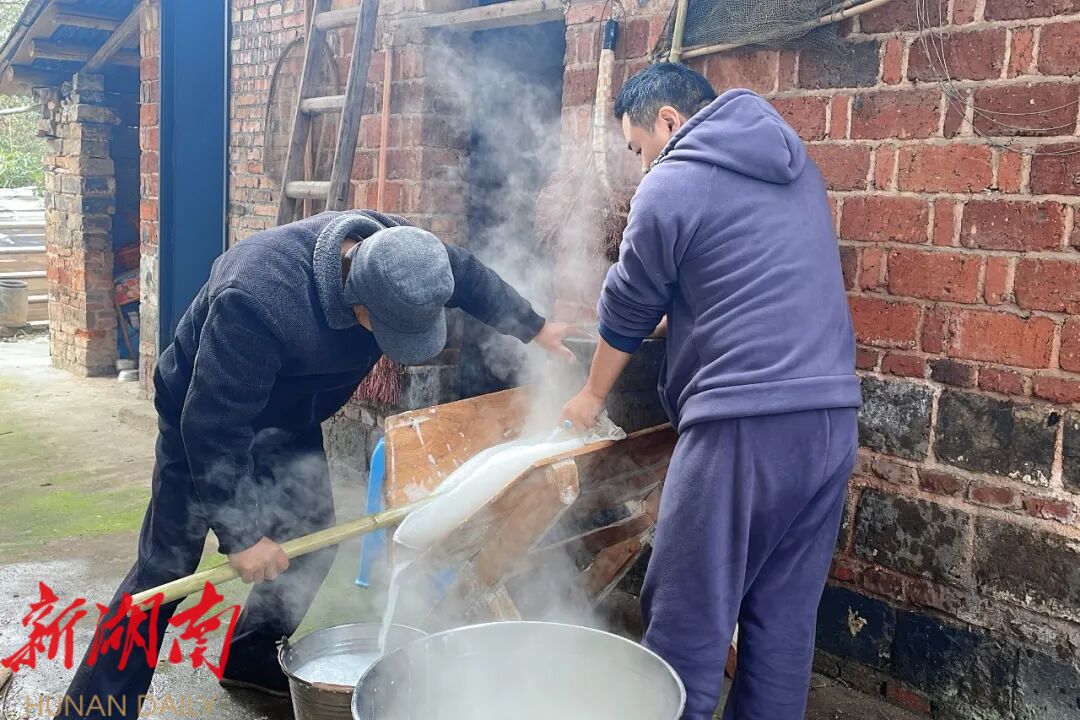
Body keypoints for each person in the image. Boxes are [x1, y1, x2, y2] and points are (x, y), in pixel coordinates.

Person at [58, 210, 576, 719]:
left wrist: (535, 328)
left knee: (311, 543)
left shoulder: (407, 255)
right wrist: (242, 536)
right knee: (164, 570)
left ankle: (250, 662)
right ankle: (94, 710)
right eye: (388, 331)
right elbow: (212, 427)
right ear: (358, 301)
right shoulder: (257, 299)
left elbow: (471, 278)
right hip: (203, 417)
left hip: (289, 416)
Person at [560, 63, 861, 720]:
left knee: (686, 620)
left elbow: (626, 309)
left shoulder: (672, 181)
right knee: (781, 621)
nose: (642, 167)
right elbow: (745, 282)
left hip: (745, 427)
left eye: (638, 148)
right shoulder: (795, 167)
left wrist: (588, 397)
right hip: (832, 422)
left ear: (669, 120)